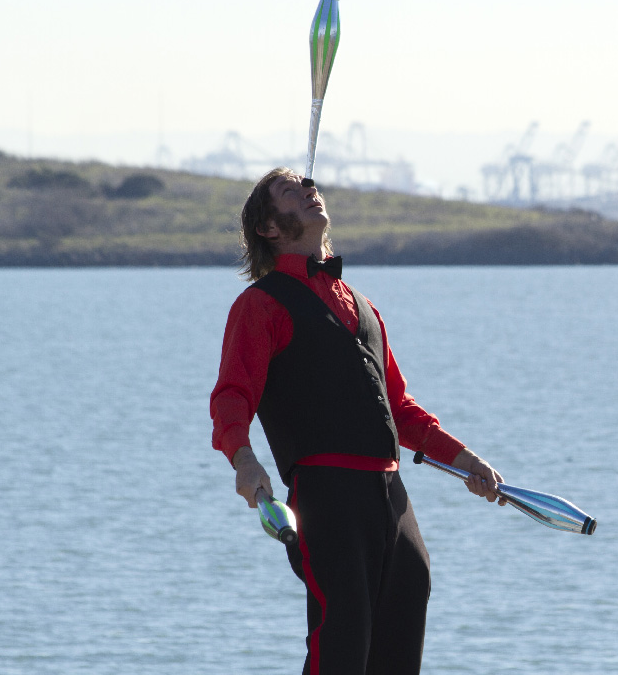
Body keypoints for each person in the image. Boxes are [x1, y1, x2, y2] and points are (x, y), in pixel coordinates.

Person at [210, 167, 504, 675]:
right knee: (341, 646)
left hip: (391, 496)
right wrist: (244, 460)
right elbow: (231, 397)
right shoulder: (260, 306)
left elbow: (401, 409)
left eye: (309, 188)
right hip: (327, 497)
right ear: (270, 229)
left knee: (400, 638)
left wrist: (464, 458)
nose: (308, 191)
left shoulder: (362, 306)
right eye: (290, 192)